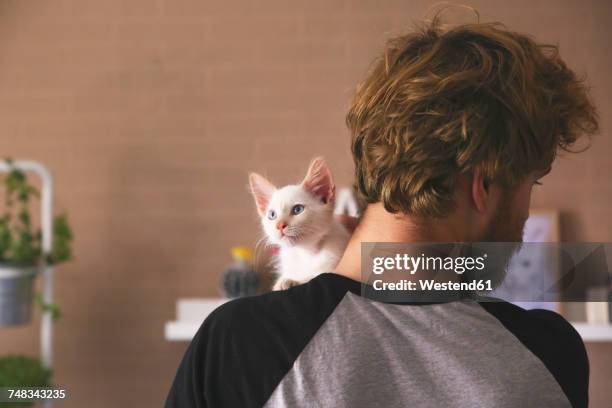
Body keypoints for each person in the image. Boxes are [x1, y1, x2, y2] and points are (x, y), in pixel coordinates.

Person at [165, 9, 599, 408]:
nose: (526, 211)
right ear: (483, 183)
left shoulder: (238, 343)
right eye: (530, 184)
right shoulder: (549, 356)